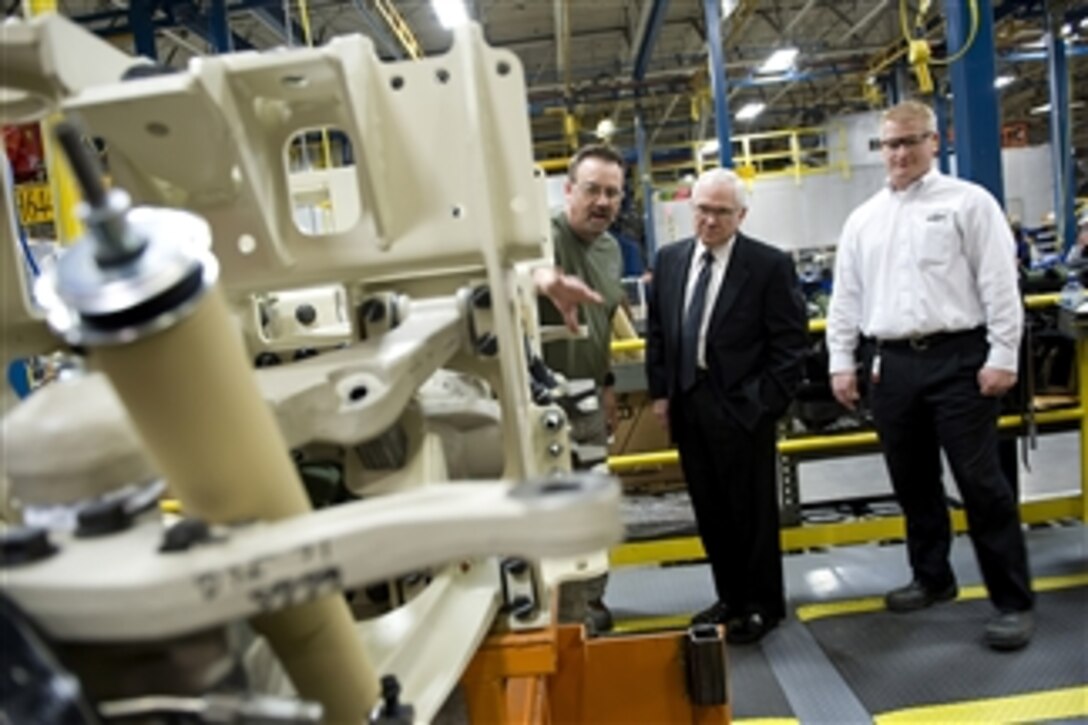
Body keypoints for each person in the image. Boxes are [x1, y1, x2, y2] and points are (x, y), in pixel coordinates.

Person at [825, 100, 1035, 651]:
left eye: (909, 142)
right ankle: (932, 577)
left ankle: (1012, 602)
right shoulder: (863, 220)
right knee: (912, 482)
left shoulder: (969, 204)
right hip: (891, 364)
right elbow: (845, 298)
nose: (898, 154)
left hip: (960, 360)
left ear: (933, 142)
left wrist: (1003, 355)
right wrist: (840, 362)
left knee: (981, 484)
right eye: (889, 145)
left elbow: (998, 285)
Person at [645, 167, 808, 645]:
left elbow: (791, 344)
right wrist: (662, 394)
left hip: (743, 406)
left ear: (741, 215)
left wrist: (765, 404)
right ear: (689, 207)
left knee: (753, 512)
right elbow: (658, 333)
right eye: (701, 209)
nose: (709, 221)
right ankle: (729, 597)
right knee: (711, 510)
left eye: (720, 212)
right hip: (689, 404)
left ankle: (762, 605)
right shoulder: (671, 260)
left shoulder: (768, 265)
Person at [538, 143, 626, 633]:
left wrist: (607, 385)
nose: (603, 202)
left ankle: (591, 600)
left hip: (588, 398)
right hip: (540, 401)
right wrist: (546, 279)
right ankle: (553, 608)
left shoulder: (612, 249)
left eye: (613, 193)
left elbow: (606, 317)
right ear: (569, 190)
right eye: (592, 189)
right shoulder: (543, 234)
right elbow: (527, 273)